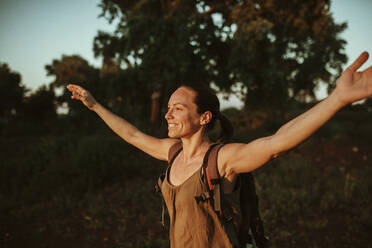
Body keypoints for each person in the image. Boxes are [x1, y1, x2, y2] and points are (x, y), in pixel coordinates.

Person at [66, 52, 372, 247]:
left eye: (177, 108)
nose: (167, 114)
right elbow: (132, 134)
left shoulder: (221, 159)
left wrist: (338, 99)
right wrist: (94, 105)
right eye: (168, 108)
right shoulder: (172, 152)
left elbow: (277, 142)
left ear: (204, 117)